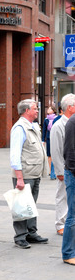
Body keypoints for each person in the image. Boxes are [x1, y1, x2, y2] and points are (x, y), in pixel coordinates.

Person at [10, 99, 48, 249]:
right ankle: (20, 236)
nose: (37, 111)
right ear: (26, 111)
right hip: (25, 175)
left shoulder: (32, 126)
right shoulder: (19, 128)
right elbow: (15, 154)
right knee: (21, 206)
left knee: (31, 205)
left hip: (34, 173)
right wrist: (19, 177)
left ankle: (31, 233)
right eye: (35, 108)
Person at [50, 94, 75, 236]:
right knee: (62, 195)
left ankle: (68, 221)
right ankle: (60, 223)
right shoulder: (59, 125)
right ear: (70, 107)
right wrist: (59, 170)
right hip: (65, 168)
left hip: (72, 167)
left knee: (70, 196)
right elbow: (55, 150)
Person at [62, 112, 75, 266]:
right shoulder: (72, 122)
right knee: (72, 215)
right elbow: (69, 152)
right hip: (73, 174)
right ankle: (68, 253)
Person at [42, 104, 57, 180]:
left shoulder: (56, 119)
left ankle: (55, 170)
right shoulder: (46, 120)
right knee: (49, 155)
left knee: (55, 154)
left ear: (53, 110)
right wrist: (43, 140)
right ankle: (51, 170)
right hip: (48, 138)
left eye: (50, 109)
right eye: (48, 109)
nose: (48, 110)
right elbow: (44, 130)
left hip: (55, 138)